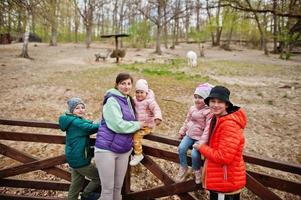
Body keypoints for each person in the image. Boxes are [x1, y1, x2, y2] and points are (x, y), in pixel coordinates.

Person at [94, 73, 144, 200]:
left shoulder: (128, 100)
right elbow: (118, 125)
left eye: (129, 83)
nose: (126, 86)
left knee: (118, 189)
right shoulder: (112, 100)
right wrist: (138, 125)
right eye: (123, 83)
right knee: (107, 191)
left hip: (124, 150)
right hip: (106, 150)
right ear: (117, 85)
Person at [193, 86, 247, 200]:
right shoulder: (217, 118)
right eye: (213, 101)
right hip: (221, 179)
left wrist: (201, 147)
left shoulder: (229, 125)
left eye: (220, 102)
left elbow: (224, 157)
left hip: (225, 182)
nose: (215, 105)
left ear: (227, 104)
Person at [58, 97, 100, 200]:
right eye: (77, 108)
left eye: (82, 107)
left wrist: (93, 122)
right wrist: (104, 123)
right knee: (98, 178)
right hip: (80, 159)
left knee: (76, 184)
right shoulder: (76, 123)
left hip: (73, 158)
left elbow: (85, 123)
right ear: (72, 111)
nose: (81, 110)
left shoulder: (73, 120)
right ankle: (86, 196)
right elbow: (88, 128)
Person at [175, 83, 213, 184]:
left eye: (200, 97)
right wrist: (182, 131)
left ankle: (197, 171)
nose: (197, 100)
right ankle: (183, 167)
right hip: (189, 134)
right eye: (195, 97)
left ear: (206, 98)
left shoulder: (209, 112)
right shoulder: (192, 108)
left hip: (200, 138)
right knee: (181, 148)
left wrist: (201, 142)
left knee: (195, 155)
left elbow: (207, 129)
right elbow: (187, 121)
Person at [130, 79, 162, 166]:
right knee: (128, 134)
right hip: (138, 124)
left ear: (146, 93)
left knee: (136, 136)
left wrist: (158, 117)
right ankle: (131, 152)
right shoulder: (134, 99)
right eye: (137, 92)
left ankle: (138, 154)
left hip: (147, 126)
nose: (139, 94)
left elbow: (156, 109)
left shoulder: (150, 101)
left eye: (141, 92)